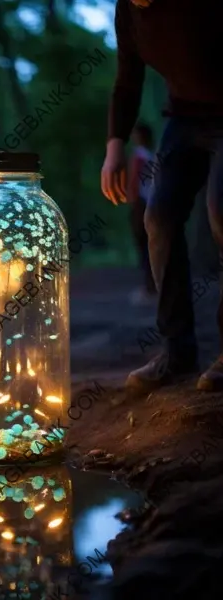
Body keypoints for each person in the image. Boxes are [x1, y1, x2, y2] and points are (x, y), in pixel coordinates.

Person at [100, 0, 223, 392]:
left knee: (221, 213)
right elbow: (127, 79)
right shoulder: (128, 12)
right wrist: (115, 146)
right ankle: (177, 352)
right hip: (185, 119)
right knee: (159, 218)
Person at [127, 121, 157, 305]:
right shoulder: (154, 156)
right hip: (152, 204)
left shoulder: (140, 158)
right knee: (151, 246)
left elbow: (135, 185)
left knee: (144, 247)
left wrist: (133, 202)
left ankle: (149, 287)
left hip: (141, 206)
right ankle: (152, 284)